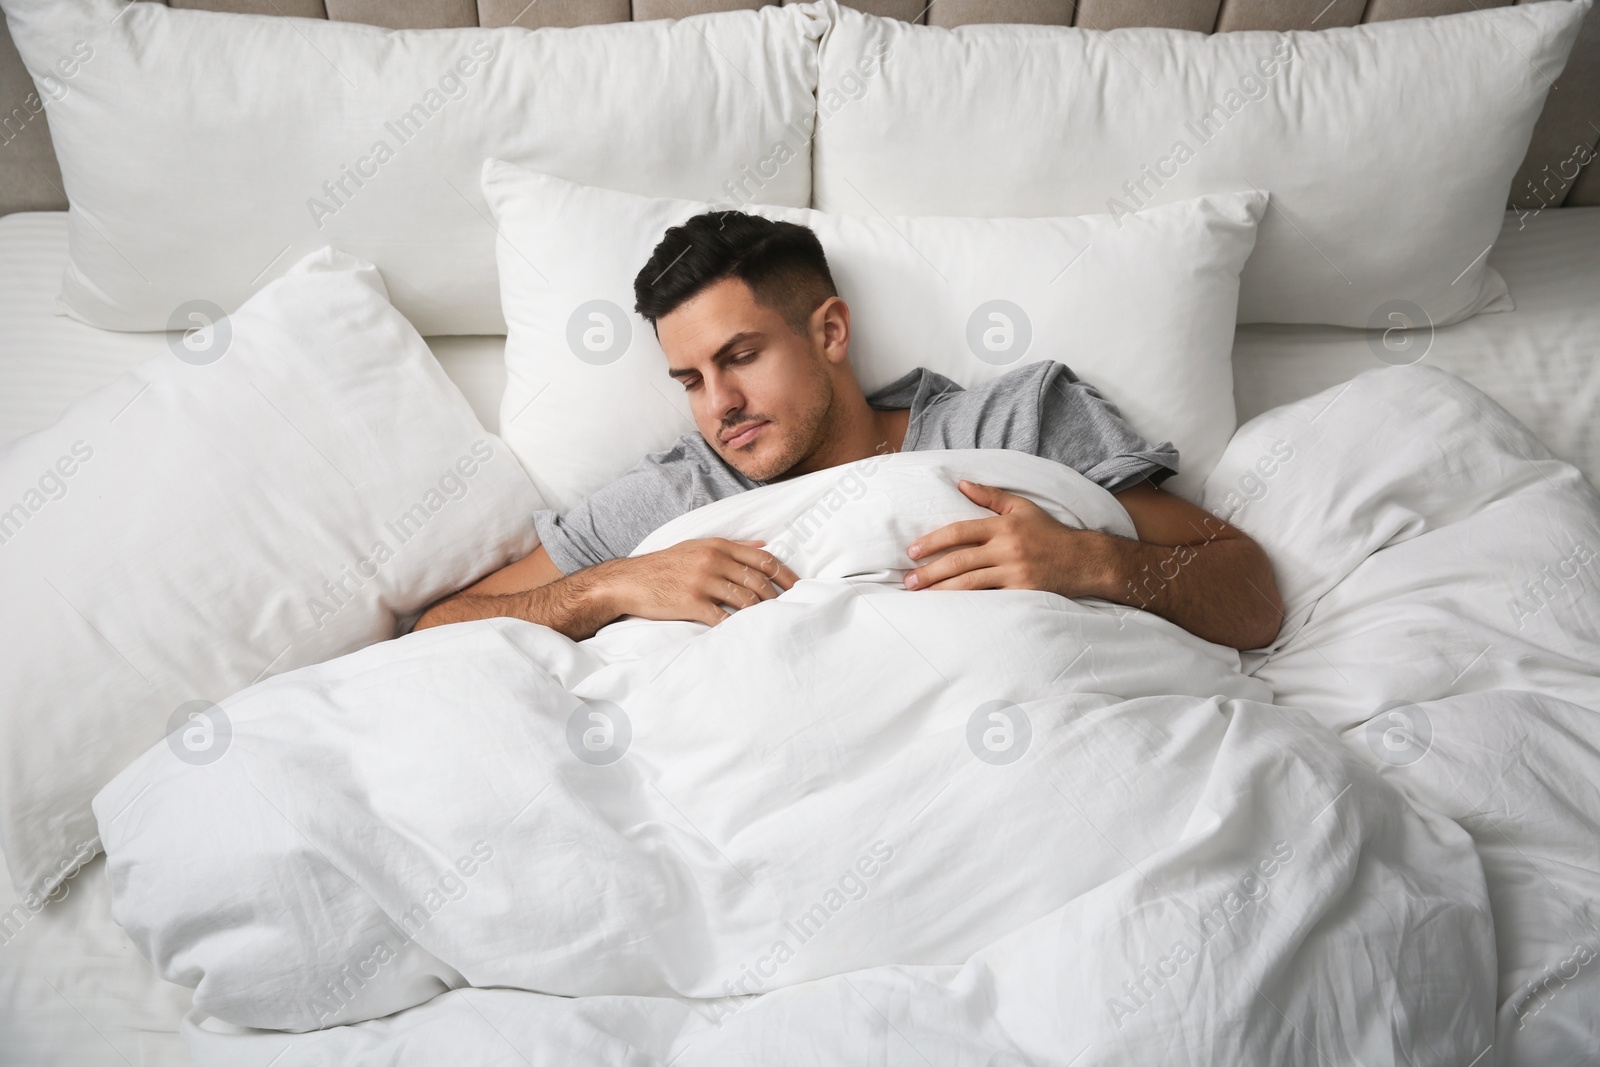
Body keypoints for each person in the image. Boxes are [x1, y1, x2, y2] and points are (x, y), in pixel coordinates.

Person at [417, 212, 1284, 650]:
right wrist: (607, 589)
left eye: (741, 356)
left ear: (829, 333)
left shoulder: (1012, 420)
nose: (718, 404)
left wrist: (1095, 564)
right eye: (690, 379)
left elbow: (1250, 593)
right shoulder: (671, 497)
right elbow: (437, 630)